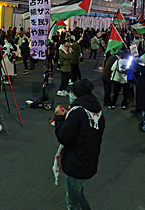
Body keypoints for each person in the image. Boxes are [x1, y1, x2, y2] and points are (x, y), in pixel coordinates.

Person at [54, 79, 105, 210]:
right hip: (89, 161)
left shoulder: (77, 112)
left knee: (73, 202)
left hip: (76, 164)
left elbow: (64, 137)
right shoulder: (96, 111)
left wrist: (60, 118)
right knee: (78, 193)